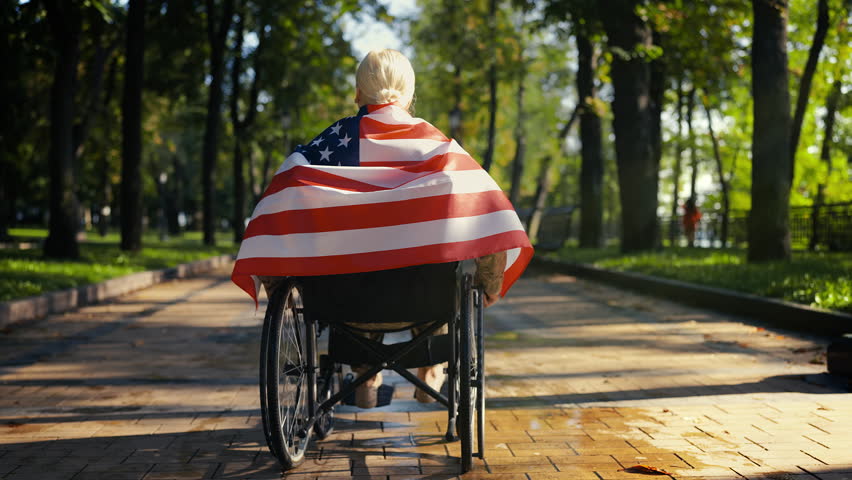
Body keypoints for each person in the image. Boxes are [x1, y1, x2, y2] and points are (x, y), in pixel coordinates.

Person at [262, 49, 506, 408]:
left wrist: (277, 289)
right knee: (436, 269)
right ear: (409, 95)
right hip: (425, 301)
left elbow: (273, 217)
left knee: (361, 272)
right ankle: (431, 371)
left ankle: (365, 375)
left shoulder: (319, 152)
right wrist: (489, 284)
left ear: (358, 94)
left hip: (341, 302)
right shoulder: (441, 152)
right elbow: (490, 220)